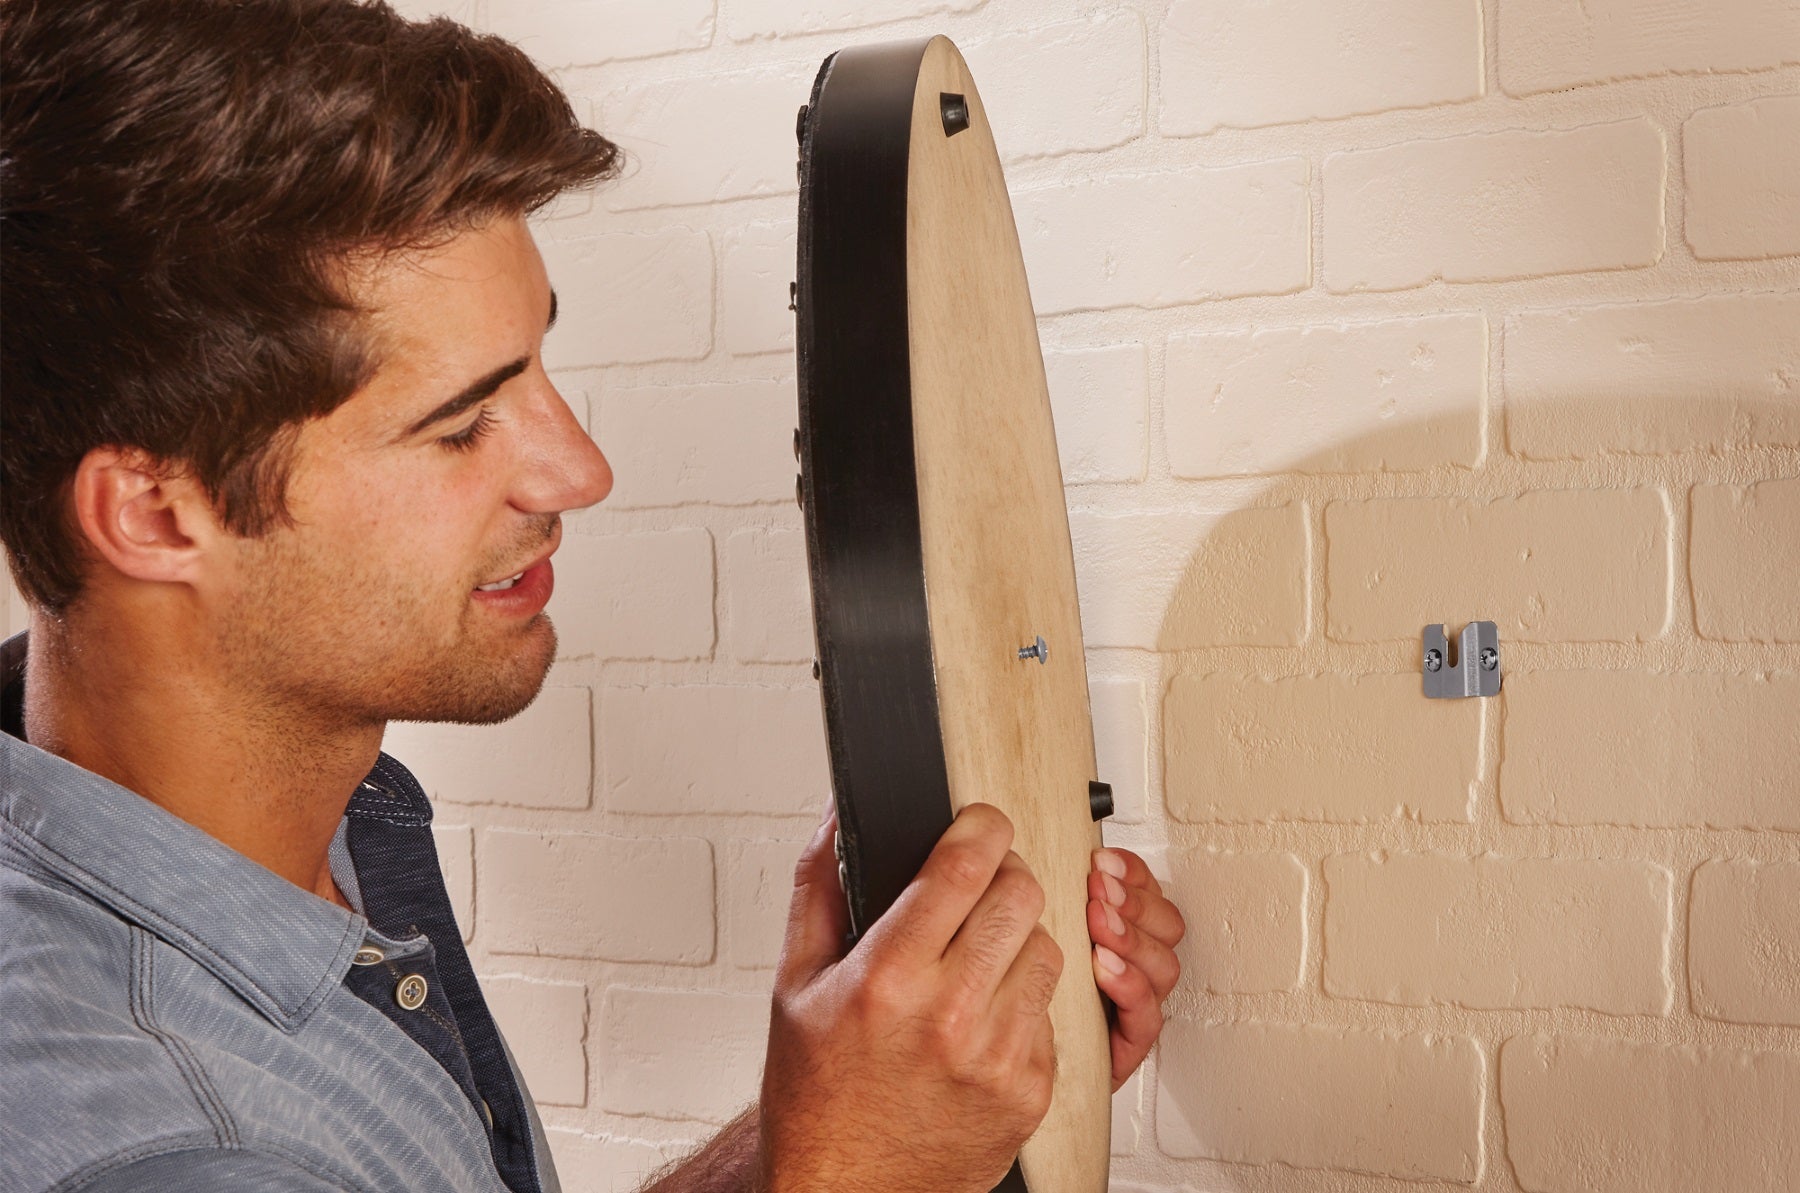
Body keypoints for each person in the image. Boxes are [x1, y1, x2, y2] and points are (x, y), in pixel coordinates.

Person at [0, 1, 1187, 1190]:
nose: (582, 469)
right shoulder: (165, 1142)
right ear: (155, 514)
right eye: (462, 425)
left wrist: (875, 1110)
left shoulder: (330, 818)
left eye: (538, 367)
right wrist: (857, 1168)